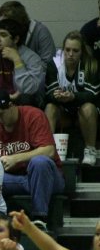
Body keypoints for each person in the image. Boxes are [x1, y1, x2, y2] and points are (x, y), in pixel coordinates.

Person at [0, 88, 64, 231]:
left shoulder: (33, 115)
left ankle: (40, 219)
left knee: (39, 162)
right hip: (17, 180)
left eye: (1, 114)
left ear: (11, 105)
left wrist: (16, 158)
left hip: (48, 178)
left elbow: (49, 150)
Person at [44, 31, 100, 166]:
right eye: (67, 50)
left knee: (88, 108)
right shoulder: (54, 64)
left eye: (75, 51)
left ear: (82, 52)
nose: (70, 54)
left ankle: (90, 150)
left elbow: (92, 95)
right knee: (50, 107)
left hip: (84, 113)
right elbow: (49, 94)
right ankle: (47, 149)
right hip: (64, 114)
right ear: (63, 49)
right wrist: (57, 96)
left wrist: (72, 97)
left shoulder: (91, 65)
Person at [0, 19, 44, 108]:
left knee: (26, 98)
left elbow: (30, 89)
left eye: (3, 35)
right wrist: (5, 96)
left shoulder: (32, 58)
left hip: (19, 100)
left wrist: (17, 61)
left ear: (16, 39)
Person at [0, 1, 56, 65]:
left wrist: (19, 62)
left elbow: (47, 62)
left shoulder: (40, 31)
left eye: (6, 20)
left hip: (37, 71)